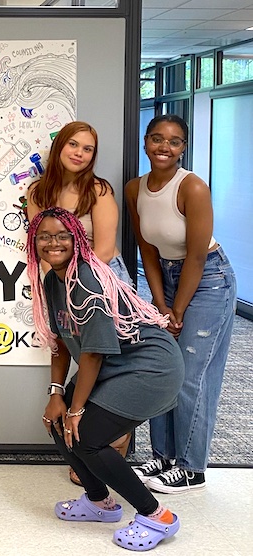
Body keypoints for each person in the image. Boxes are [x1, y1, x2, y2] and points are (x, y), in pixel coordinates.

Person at [28, 207, 184, 552]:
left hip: (150, 367)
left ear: (77, 239)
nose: (53, 243)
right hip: (114, 365)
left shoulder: (87, 280)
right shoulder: (53, 280)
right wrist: (58, 395)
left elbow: (94, 353)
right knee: (57, 422)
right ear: (34, 241)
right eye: (44, 236)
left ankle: (157, 515)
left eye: (62, 235)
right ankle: (98, 502)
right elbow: (61, 342)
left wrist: (77, 408)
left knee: (87, 437)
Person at [125, 114, 237, 493]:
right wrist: (159, 304)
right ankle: (163, 457)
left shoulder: (192, 188)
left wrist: (179, 309)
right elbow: (147, 251)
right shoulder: (134, 188)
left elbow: (196, 257)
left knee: (191, 376)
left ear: (183, 148)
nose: (164, 147)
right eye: (157, 139)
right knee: (163, 370)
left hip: (207, 282)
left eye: (173, 142)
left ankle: (192, 468)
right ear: (145, 142)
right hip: (166, 280)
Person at [26, 120, 133, 485]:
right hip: (61, 279)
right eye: (74, 145)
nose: (80, 153)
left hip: (103, 280)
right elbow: (42, 244)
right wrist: (59, 280)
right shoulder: (39, 192)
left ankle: (113, 441)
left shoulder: (99, 190)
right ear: (60, 148)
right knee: (73, 352)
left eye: (87, 149)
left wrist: (78, 281)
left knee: (109, 361)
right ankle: (86, 445)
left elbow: (102, 247)